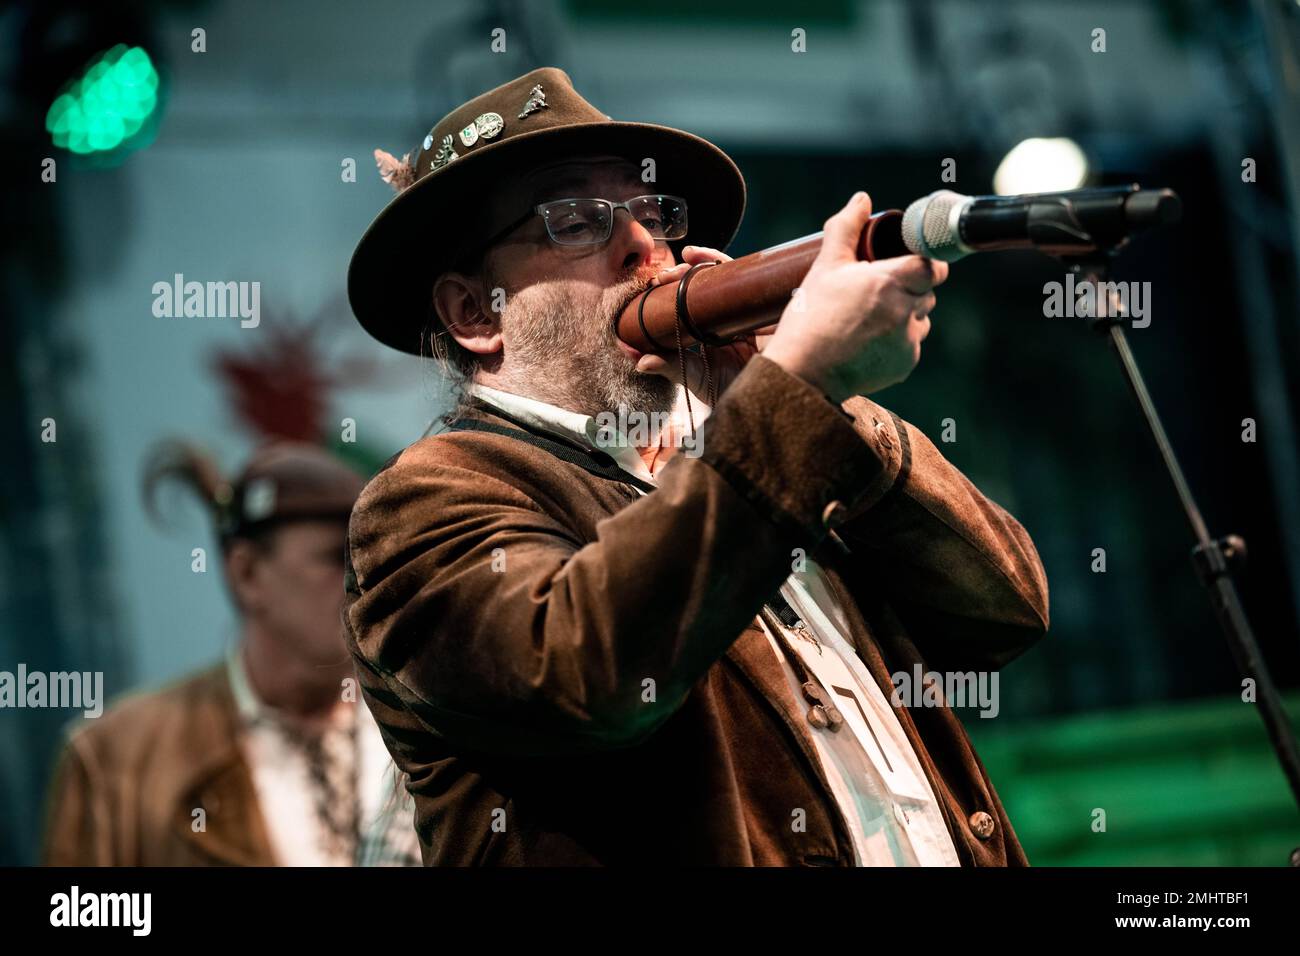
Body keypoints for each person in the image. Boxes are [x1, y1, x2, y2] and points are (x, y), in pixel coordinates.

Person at [343, 67, 1050, 866]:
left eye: (655, 214)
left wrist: (817, 406)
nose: (645, 245)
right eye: (576, 219)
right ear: (476, 314)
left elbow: (1005, 613)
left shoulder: (761, 441)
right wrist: (797, 390)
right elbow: (585, 672)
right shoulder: (423, 504)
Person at [43, 441, 420, 866]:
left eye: (371, 557)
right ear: (247, 574)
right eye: (337, 558)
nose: (363, 581)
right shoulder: (114, 762)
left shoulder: (428, 726)